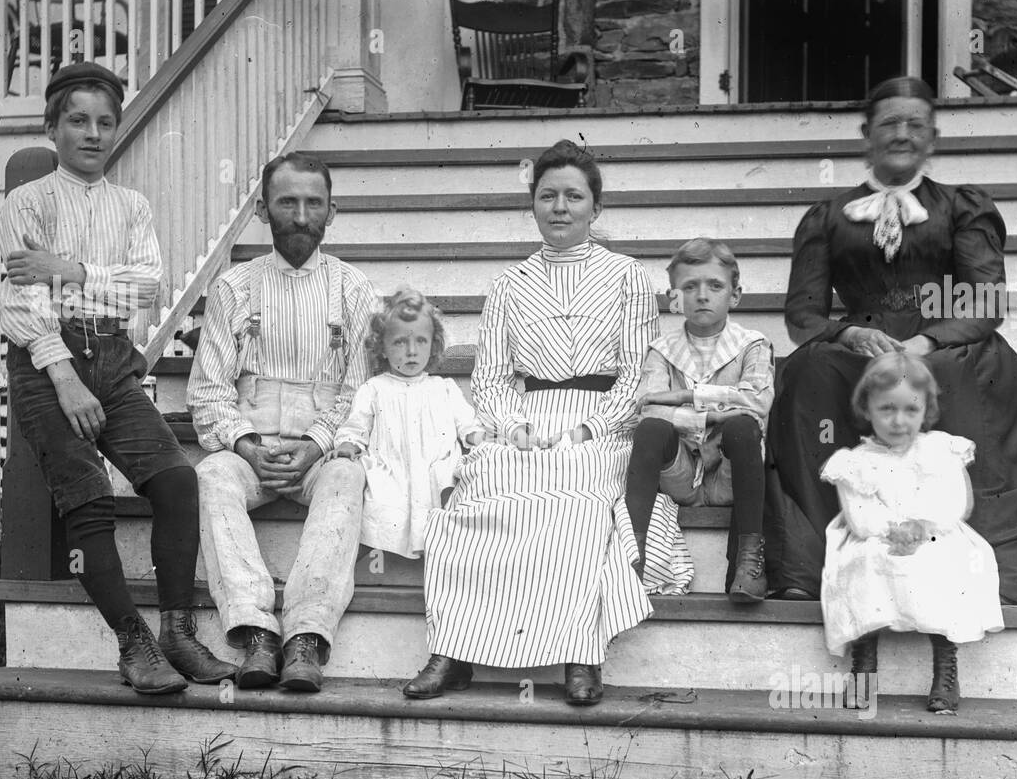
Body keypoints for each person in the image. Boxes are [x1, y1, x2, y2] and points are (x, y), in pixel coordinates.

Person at [766, 75, 1017, 604]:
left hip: (944, 339)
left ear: (932, 138)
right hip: (861, 343)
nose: (902, 134)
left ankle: (969, 551)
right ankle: (819, 556)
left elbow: (985, 300)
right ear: (866, 134)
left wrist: (928, 342)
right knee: (811, 369)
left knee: (955, 373)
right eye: (890, 123)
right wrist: (849, 331)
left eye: (916, 125)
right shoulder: (828, 216)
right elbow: (802, 312)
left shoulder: (959, 207)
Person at [0, 61, 236, 695]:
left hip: (114, 357)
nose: (93, 134)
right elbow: (22, 302)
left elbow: (147, 289)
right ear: (53, 127)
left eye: (105, 122)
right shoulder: (28, 200)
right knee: (88, 497)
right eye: (77, 120)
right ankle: (135, 645)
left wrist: (68, 268)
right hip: (49, 365)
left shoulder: (132, 207)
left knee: (177, 480)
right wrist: (65, 378)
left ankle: (179, 635)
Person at [408, 140, 658, 705]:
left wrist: (590, 428)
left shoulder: (628, 277)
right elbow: (492, 379)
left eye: (575, 196)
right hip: (527, 418)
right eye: (548, 196)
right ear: (533, 205)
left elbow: (640, 373)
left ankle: (580, 654)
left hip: (602, 422)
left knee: (579, 493)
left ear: (596, 207)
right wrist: (511, 427)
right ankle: (454, 649)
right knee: (478, 484)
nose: (561, 207)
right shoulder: (509, 285)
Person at [187, 152, 374, 692]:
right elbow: (208, 391)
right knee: (210, 476)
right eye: (287, 202)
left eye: (313, 203)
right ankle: (255, 629)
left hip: (321, 449)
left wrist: (317, 446)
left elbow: (360, 394)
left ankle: (306, 636)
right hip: (253, 447)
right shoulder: (234, 288)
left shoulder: (353, 289)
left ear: (332, 212)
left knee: (348, 477)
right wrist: (245, 446)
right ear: (264, 211)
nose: (299, 215)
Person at [820, 353, 1004, 713]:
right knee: (863, 563)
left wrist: (922, 525)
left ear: (926, 410)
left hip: (935, 532)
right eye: (886, 409)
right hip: (876, 536)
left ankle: (945, 666)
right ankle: (864, 663)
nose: (898, 421)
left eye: (910, 410)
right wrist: (891, 530)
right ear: (867, 408)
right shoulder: (855, 461)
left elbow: (956, 502)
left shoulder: (939, 448)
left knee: (945, 562)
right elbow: (859, 516)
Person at [626, 238, 773, 601]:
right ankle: (632, 558)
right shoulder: (661, 350)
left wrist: (686, 397)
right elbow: (647, 408)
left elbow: (757, 402)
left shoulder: (752, 344)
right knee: (650, 430)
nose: (702, 295)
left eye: (715, 286)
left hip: (729, 475)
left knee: (744, 427)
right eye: (689, 287)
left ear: (735, 295)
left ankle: (749, 560)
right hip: (679, 476)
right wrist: (712, 415)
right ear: (674, 297)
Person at [331, 288, 484, 558]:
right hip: (394, 469)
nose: (412, 351)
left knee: (447, 485)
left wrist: (474, 437)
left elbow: (467, 423)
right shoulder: (374, 389)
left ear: (434, 346)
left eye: (422, 342)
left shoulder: (444, 388)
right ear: (382, 347)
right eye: (400, 342)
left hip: (435, 472)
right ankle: (383, 556)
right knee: (386, 496)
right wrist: (348, 444)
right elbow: (356, 427)